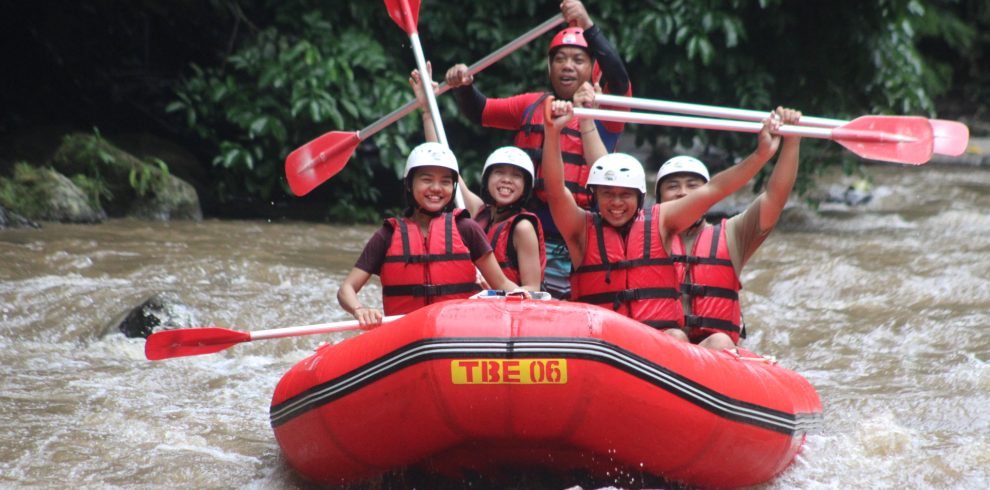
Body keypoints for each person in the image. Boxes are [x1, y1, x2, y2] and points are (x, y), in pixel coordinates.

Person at [541, 97, 786, 348]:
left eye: (625, 195)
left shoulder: (661, 222)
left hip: (655, 347)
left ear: (640, 198)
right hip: (601, 345)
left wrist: (760, 155)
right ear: (595, 196)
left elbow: (714, 189)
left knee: (680, 337)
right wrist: (552, 132)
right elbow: (555, 190)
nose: (616, 203)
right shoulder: (579, 229)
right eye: (607, 194)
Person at [444, 0, 632, 300]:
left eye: (578, 59)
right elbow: (480, 111)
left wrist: (587, 24)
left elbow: (619, 78)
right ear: (549, 66)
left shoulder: (606, 109)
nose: (568, 65)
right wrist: (464, 86)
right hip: (528, 235)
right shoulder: (531, 105)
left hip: (581, 232)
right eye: (560, 58)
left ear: (594, 69)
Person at [657, 107, 802, 350]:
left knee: (720, 340)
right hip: (664, 348)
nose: (682, 192)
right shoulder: (643, 233)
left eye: (692, 186)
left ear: (705, 196)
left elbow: (776, 197)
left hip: (715, 350)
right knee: (674, 337)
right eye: (673, 186)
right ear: (658, 198)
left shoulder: (732, 234)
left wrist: (792, 142)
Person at [336, 142, 521, 327]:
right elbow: (346, 289)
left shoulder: (467, 229)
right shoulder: (387, 235)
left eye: (445, 182)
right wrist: (359, 310)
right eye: (427, 179)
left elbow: (502, 284)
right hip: (406, 336)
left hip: (459, 330)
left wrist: (532, 300)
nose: (436, 188)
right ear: (409, 184)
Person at [410, 65, 546, 292]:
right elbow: (442, 160)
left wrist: (495, 289)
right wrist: (427, 111)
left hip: (506, 311)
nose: (506, 180)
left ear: (526, 186)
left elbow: (532, 290)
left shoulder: (522, 228)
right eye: (499, 173)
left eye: (515, 176)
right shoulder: (477, 211)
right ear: (487, 179)